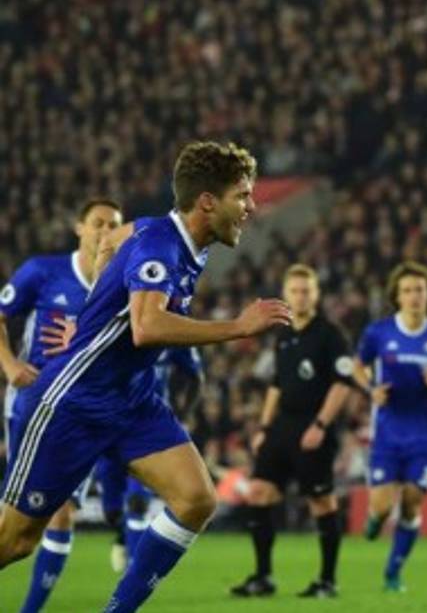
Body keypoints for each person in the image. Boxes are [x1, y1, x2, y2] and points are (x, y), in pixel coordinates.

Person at [0, 140, 291, 613]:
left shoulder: (172, 236)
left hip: (132, 400)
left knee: (196, 499)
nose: (251, 207)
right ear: (207, 202)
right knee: (15, 542)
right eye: (242, 196)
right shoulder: (162, 245)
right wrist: (239, 326)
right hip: (73, 402)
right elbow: (147, 326)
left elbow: (118, 236)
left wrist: (100, 280)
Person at [0, 198, 123, 612]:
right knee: (16, 527)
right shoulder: (43, 271)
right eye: (97, 223)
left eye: (114, 225)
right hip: (32, 406)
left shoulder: (124, 283)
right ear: (79, 228)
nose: (105, 231)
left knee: (61, 513)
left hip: (84, 413)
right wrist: (10, 364)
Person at [231, 264, 355, 599]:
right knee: (259, 492)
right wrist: (264, 427)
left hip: (314, 427)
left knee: (321, 501)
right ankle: (263, 577)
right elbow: (276, 385)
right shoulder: (283, 335)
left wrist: (321, 425)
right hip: (282, 426)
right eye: (295, 291)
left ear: (316, 294)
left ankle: (327, 581)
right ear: (285, 294)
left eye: (306, 291)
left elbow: (342, 383)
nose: (300, 296)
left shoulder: (331, 334)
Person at [354, 261, 427, 592]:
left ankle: (393, 572)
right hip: (386, 434)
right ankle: (376, 518)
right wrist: (371, 390)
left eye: (419, 290)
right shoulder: (379, 332)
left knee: (412, 502)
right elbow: (358, 367)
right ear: (397, 297)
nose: (414, 296)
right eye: (407, 290)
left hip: (423, 435)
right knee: (383, 508)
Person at [100, 346, 204, 573]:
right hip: (108, 424)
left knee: (138, 501)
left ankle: (134, 572)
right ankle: (122, 534)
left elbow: (196, 377)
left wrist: (184, 415)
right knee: (112, 512)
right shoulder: (111, 331)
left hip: (149, 426)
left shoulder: (173, 335)